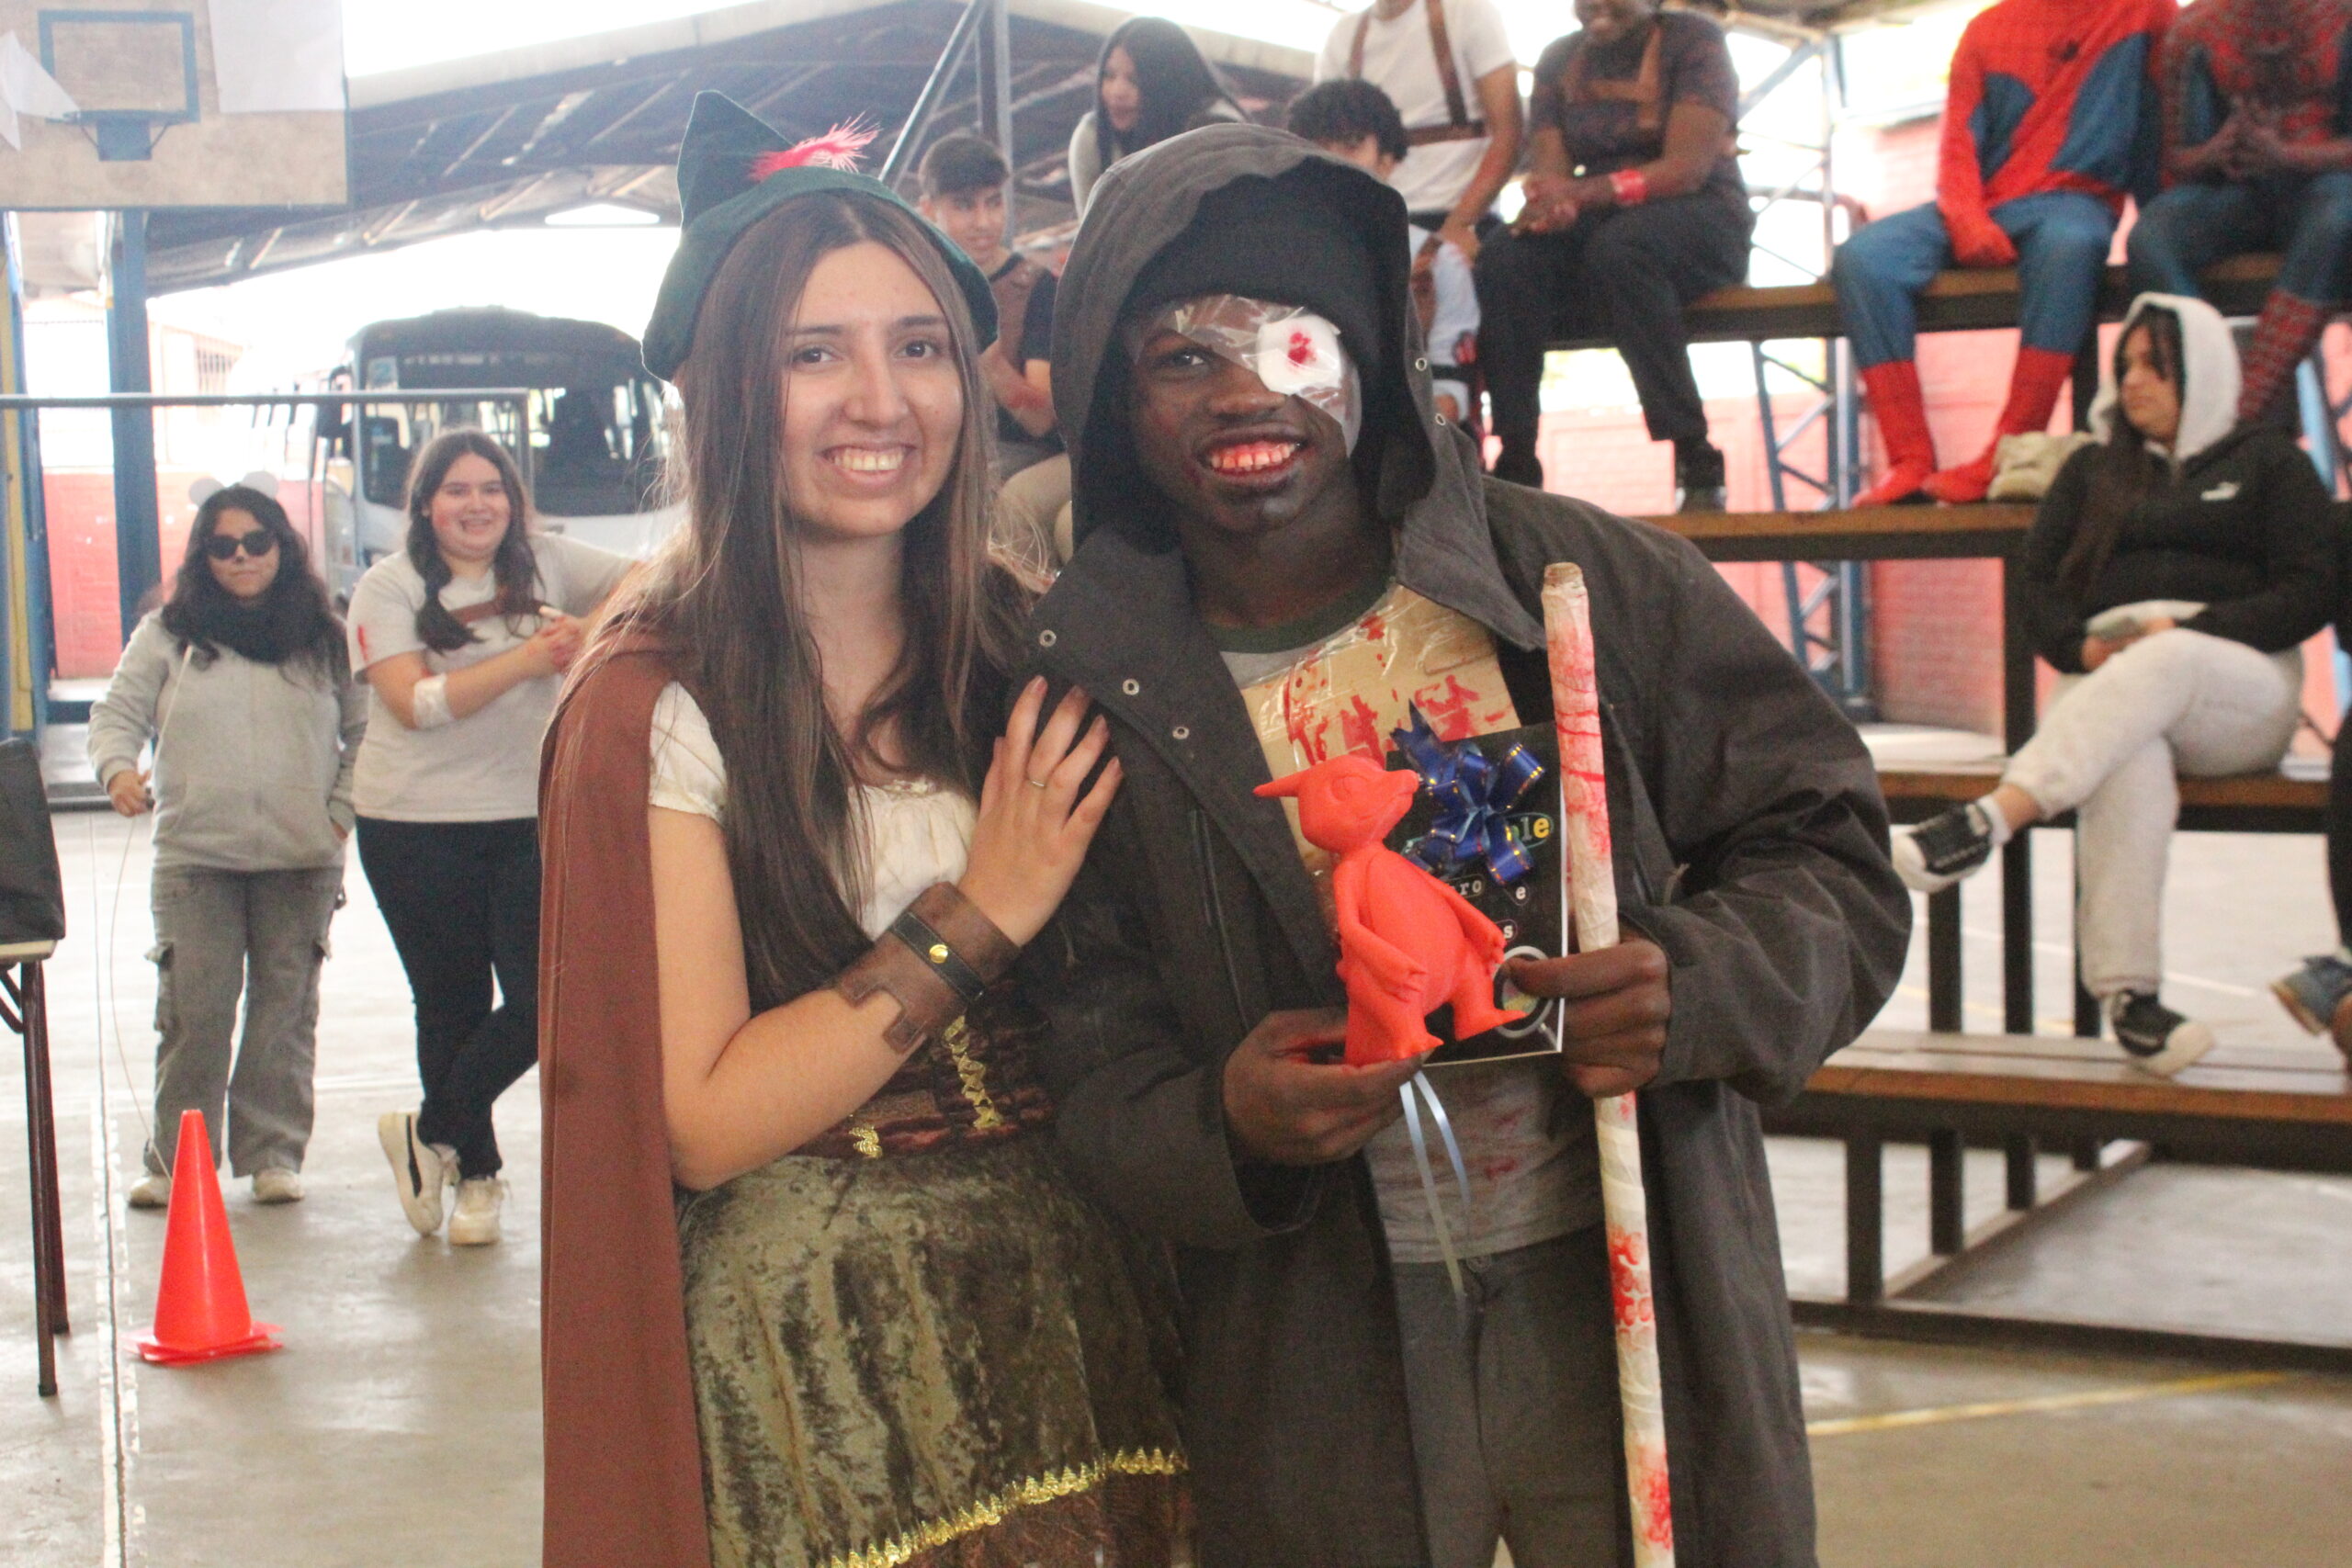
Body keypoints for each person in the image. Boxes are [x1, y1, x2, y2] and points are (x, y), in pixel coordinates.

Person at [1025, 121, 1909, 1568]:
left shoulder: (1575, 580)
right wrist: (1224, 1125)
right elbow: (1086, 1038)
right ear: (1111, 395)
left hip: (1615, 1283)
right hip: (1312, 1344)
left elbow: (1833, 857)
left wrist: (1692, 983)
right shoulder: (1089, 687)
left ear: (1370, 356)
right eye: (1183, 356)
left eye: (1293, 342)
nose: (1245, 392)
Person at [537, 93, 1184, 1568]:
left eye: (919, 347)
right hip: (818, 1359)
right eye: (812, 353)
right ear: (722, 391)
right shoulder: (659, 701)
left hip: (1087, 1310)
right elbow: (704, 1118)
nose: (880, 402)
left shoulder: (1034, 642)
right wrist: (980, 911)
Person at [1894, 295, 2335, 1072]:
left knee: (2169, 658)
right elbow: (2038, 585)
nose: (2132, 381)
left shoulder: (2271, 464)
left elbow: (2308, 591)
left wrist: (2189, 629)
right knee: (2129, 755)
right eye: (2125, 364)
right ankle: (2133, 1001)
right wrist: (2079, 646)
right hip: (2110, 680)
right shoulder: (2091, 470)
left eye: (2153, 366)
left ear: (2202, 370)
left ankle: (1992, 818)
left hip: (2240, 683)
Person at [347, 428, 632, 1247]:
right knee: (451, 1003)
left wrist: (590, 629)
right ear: (426, 505)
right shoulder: (387, 588)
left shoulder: (549, 562)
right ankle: (476, 1175)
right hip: (412, 825)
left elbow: (652, 577)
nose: (477, 505)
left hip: (526, 818)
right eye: (457, 490)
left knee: (547, 1000)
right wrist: (533, 658)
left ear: (513, 501)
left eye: (492, 489)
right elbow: (416, 703)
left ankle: (428, 1132)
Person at [90, 483, 363, 1210]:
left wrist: (338, 814)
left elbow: (369, 732)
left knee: (284, 1015)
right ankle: (177, 1159)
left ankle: (273, 1154)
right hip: (195, 859)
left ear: (282, 546)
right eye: (223, 545)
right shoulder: (167, 634)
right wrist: (118, 770)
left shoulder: (326, 636)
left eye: (256, 541)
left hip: (302, 860)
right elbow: (115, 713)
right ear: (203, 556)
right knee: (194, 1014)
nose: (241, 556)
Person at [1833, 0, 2175, 507]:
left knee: (2070, 245)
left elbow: (2162, 128)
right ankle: (1910, 461)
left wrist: (2164, 225)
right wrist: (1966, 218)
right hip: (1988, 202)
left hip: (2074, 202)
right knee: (1864, 258)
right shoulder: (1986, 29)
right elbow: (1957, 146)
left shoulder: (2145, 12)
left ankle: (2008, 452)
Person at [1474, 0, 1752, 508]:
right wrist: (1552, 205)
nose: (1596, 6)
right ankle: (1515, 457)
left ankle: (1693, 449)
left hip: (1703, 214)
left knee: (1622, 252)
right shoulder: (1559, 59)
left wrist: (1582, 194)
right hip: (1603, 219)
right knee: (1505, 257)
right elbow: (1553, 169)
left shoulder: (1694, 41)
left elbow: (1686, 169)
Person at [2127, 0, 2352, 426]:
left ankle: (2246, 400)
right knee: (2151, 236)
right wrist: (2216, 152)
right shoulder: (2196, 29)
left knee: (2338, 215)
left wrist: (2288, 155)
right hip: (2239, 196)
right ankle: (2210, 385)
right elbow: (2179, 158)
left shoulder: (2342, 18)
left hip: (2326, 193)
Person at [1288, 77, 1482, 426]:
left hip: (1407, 438)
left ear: (1387, 160)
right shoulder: (1278, 258)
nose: (1332, 161)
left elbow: (1451, 389)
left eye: (1351, 144)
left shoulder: (1437, 262)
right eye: (1316, 146)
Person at [1312, 0, 1522, 265]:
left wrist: (1459, 225)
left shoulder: (1469, 11)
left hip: (1455, 215)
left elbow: (1509, 133)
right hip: (1372, 221)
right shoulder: (1343, 34)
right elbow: (1322, 144)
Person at [918, 132, 1062, 480]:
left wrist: (990, 360)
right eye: (965, 206)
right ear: (929, 210)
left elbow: (1042, 420)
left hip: (1014, 451)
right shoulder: (913, 283)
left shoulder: (1036, 287)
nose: (984, 222)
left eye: (994, 203)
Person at [1068, 17, 1244, 214]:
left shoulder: (1216, 135)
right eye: (1109, 75)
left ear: (1170, 84)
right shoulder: (1092, 135)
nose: (1117, 92)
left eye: (1134, 80)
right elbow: (1091, 229)